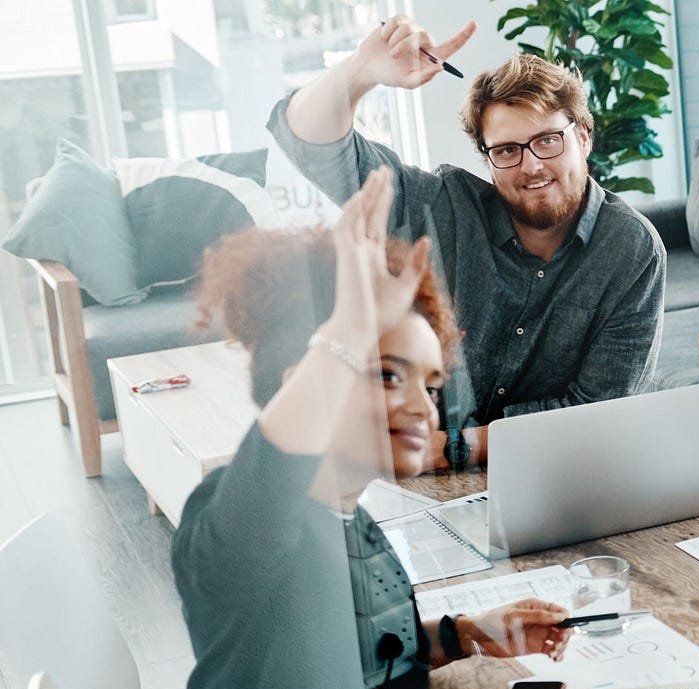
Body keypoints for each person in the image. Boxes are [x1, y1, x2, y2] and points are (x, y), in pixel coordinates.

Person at [171, 170, 570, 689]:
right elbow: (270, 479)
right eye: (386, 374)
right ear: (305, 377)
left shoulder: (349, 516)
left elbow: (372, 656)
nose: (422, 409)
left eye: (430, 386)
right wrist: (349, 329)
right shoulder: (241, 522)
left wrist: (468, 633)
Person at [268, 15, 666, 470]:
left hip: (551, 469)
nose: (531, 166)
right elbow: (311, 144)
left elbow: (601, 409)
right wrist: (360, 71)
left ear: (583, 136)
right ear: (488, 157)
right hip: (411, 466)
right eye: (507, 150)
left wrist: (455, 447)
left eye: (548, 141)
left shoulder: (632, 249)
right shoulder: (444, 207)